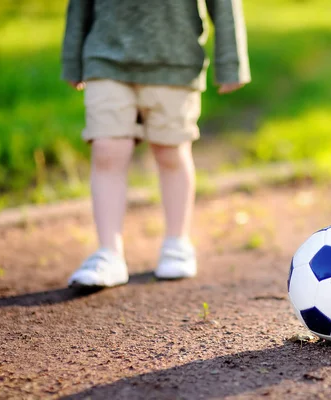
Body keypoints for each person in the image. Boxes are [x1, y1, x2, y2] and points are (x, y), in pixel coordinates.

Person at [60, 0, 250, 288]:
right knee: (108, 150)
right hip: (105, 56)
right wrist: (72, 56)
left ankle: (177, 242)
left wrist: (231, 60)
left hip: (175, 59)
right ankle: (109, 252)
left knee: (170, 151)